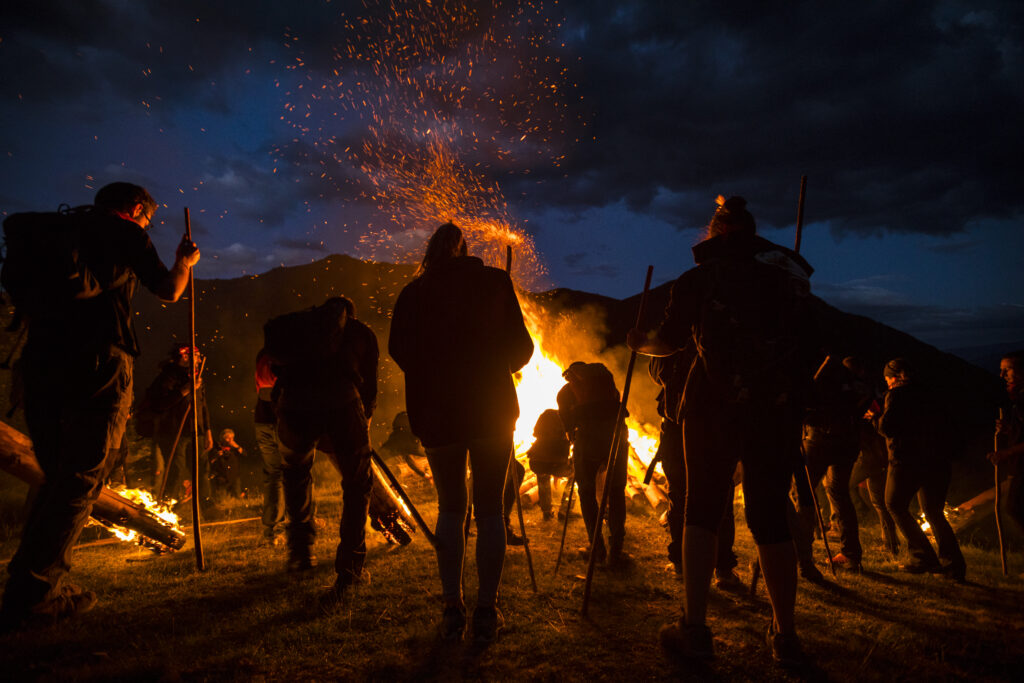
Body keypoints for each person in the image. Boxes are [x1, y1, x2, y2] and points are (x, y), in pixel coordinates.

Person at [0, 182, 199, 631]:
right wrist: (183, 263)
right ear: (134, 210)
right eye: (147, 218)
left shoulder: (56, 231)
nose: (146, 224)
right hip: (97, 363)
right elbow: (167, 289)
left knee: (56, 479)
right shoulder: (124, 232)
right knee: (81, 479)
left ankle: (28, 586)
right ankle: (34, 594)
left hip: (40, 364)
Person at [628, 195, 817, 666]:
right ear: (753, 235)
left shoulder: (699, 278)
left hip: (712, 405)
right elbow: (810, 337)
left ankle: (695, 628)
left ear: (714, 235)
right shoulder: (789, 280)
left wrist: (640, 342)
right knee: (770, 513)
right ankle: (786, 634)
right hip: (776, 408)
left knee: (702, 509)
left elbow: (668, 342)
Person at [389, 222, 534, 643]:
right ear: (466, 249)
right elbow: (522, 350)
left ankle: (452, 604)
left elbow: (400, 351)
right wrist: (497, 364)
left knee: (451, 505)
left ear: (431, 251)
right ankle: (486, 610)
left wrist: (433, 375)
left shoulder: (415, 292)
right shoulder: (493, 282)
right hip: (491, 408)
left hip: (438, 414)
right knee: (489, 508)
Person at [264, 296, 379, 606]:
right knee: (357, 485)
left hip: (294, 409)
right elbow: (369, 390)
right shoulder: (361, 332)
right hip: (342, 404)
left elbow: (273, 366)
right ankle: (350, 567)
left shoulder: (299, 329)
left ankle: (300, 553)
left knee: (296, 474)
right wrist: (362, 422)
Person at [649, 347, 741, 588]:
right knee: (711, 498)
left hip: (700, 429)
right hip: (696, 428)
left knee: (686, 497)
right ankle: (716, 567)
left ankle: (702, 565)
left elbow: (657, 370)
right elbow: (656, 370)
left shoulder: (677, 344)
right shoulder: (680, 345)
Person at [872, 358, 966, 581]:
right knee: (933, 511)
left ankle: (922, 555)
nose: (887, 384)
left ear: (893, 378)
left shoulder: (897, 394)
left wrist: (874, 419)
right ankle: (953, 566)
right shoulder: (931, 392)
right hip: (938, 460)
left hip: (906, 460)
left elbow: (887, 428)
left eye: (887, 380)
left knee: (893, 504)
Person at [556, 361, 630, 568]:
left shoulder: (565, 392)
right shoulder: (607, 382)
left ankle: (596, 548)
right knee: (616, 492)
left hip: (588, 440)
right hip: (616, 437)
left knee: (587, 494)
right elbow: (618, 405)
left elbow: (569, 426)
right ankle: (616, 550)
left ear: (570, 375)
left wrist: (574, 439)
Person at [798, 357, 864, 571]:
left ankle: (802, 554)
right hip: (847, 443)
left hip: (820, 442)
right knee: (838, 492)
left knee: (802, 493)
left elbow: (807, 410)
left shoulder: (822, 378)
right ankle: (851, 554)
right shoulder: (852, 382)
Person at [144, 344, 214, 506]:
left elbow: (202, 405)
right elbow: (158, 404)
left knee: (202, 470)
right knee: (175, 471)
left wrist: (208, 431)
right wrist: (184, 390)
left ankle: (207, 507)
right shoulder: (167, 377)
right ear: (184, 357)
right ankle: (168, 508)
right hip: (173, 433)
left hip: (196, 432)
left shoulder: (195, 376)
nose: (198, 359)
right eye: (195, 355)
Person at [988, 350, 1024, 540]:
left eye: (1007, 370)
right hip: (1019, 465)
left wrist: (1006, 453)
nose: (1002, 376)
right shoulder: (1017, 398)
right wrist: (1010, 430)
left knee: (1015, 508)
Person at [254, 348, 285, 546]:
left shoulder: (263, 355)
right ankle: (298, 522)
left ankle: (271, 527)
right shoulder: (283, 357)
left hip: (262, 420)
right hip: (281, 420)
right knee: (296, 470)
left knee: (274, 474)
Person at [526, 409, 572, 521]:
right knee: (575, 475)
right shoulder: (564, 422)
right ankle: (564, 509)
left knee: (542, 477)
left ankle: (546, 511)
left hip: (537, 464)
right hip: (557, 465)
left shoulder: (544, 420)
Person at [210, 428, 244, 499]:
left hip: (234, 476)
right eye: (228, 438)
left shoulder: (235, 448)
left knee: (237, 496)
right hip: (222, 476)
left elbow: (244, 454)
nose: (230, 440)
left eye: (232, 438)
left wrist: (236, 446)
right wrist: (216, 456)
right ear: (222, 438)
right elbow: (211, 461)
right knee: (222, 497)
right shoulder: (217, 447)